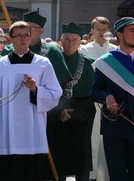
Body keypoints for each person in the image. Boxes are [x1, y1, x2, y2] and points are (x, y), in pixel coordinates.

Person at [0, 21, 63, 180]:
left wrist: (35, 89)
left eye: (26, 35)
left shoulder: (42, 63)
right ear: (10, 38)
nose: (23, 39)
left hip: (32, 128)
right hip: (5, 127)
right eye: (19, 36)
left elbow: (55, 94)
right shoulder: (0, 64)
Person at [47, 23, 96, 181]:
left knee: (80, 161)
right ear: (61, 40)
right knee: (58, 160)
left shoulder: (89, 63)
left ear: (81, 41)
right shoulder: (50, 61)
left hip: (80, 118)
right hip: (56, 116)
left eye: (74, 39)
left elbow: (91, 94)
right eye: (67, 39)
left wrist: (73, 113)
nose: (70, 43)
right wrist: (59, 111)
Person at [91, 17, 134, 181]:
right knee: (117, 174)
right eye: (131, 30)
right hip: (115, 127)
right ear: (120, 35)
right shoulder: (107, 62)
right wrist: (106, 97)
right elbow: (95, 91)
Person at [80, 16, 117, 181]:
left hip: (114, 102)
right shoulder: (84, 51)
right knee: (93, 138)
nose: (101, 33)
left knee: (111, 140)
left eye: (104, 29)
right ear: (92, 31)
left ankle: (108, 173)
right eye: (98, 30)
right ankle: (93, 174)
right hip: (92, 100)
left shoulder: (116, 50)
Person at [1, 11, 72, 84]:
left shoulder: (52, 51)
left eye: (31, 28)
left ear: (41, 31)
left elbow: (61, 82)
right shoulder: (8, 50)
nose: (27, 31)